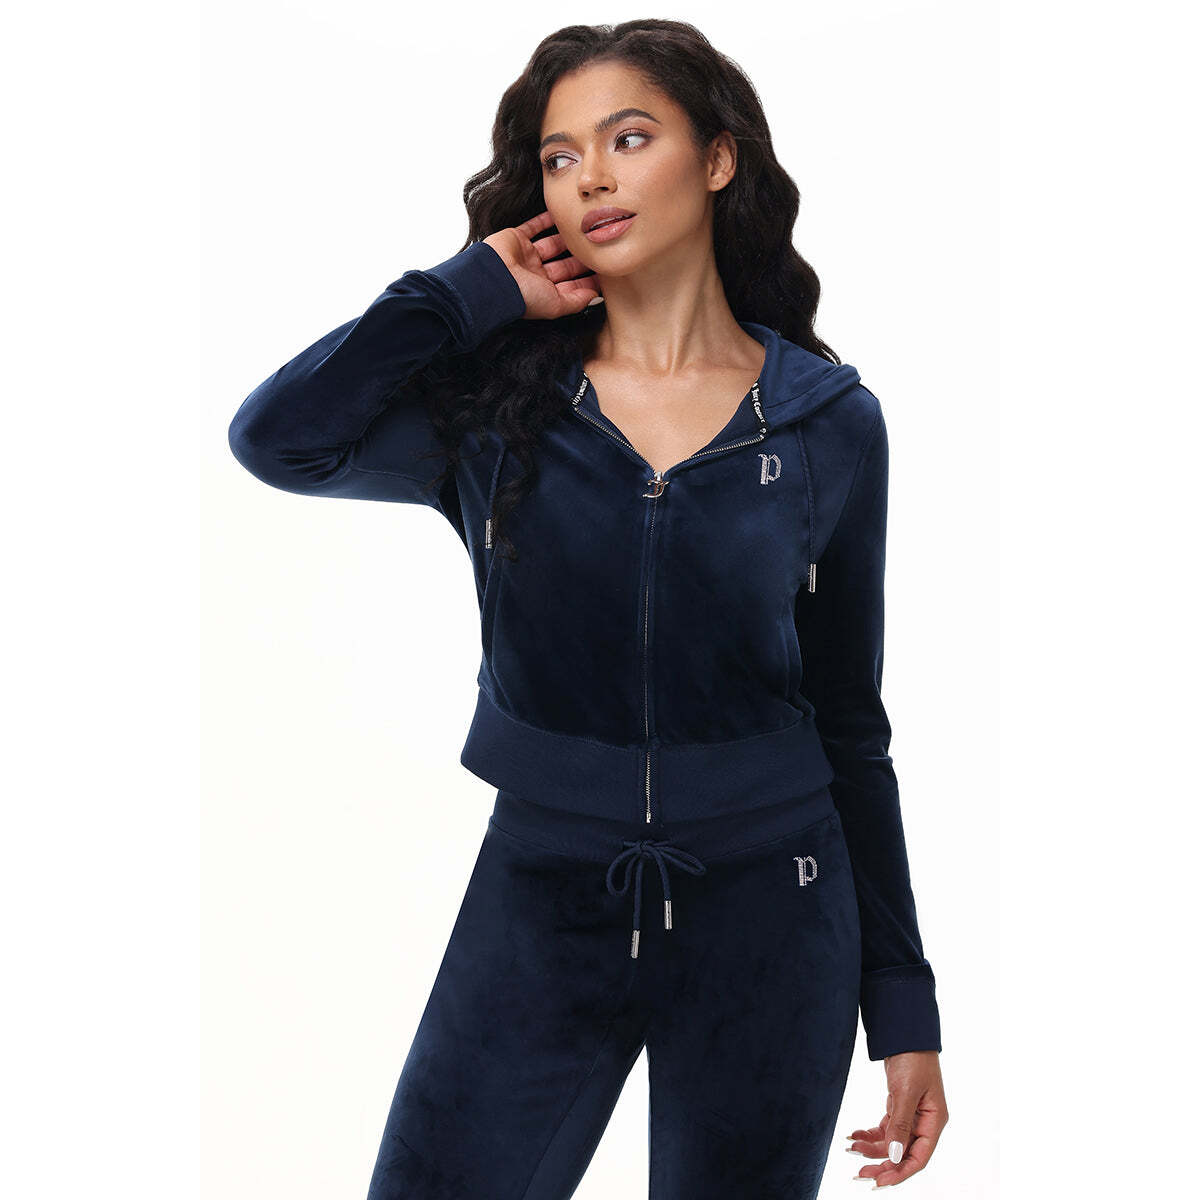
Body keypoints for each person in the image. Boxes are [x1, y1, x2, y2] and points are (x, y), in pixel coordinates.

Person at [227, 19, 949, 1199]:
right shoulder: (499, 412)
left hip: (777, 909)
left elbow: (849, 721)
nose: (591, 178)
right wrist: (463, 294)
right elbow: (278, 440)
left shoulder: (829, 423)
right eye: (561, 158)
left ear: (718, 160)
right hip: (543, 888)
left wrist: (903, 1007)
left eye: (629, 138)